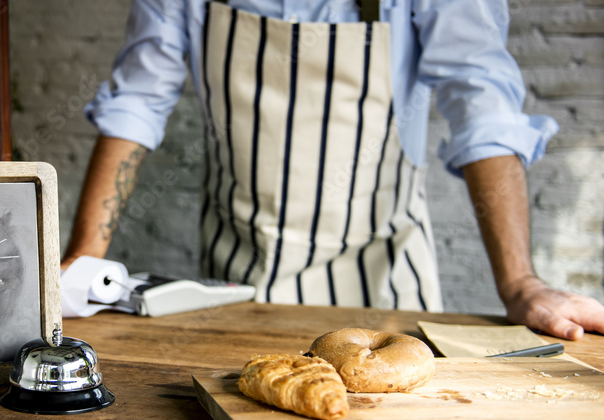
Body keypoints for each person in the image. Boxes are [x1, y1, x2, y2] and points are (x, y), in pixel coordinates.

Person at [61, 0, 604, 340]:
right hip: (234, 288)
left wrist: (519, 283)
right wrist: (83, 261)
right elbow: (137, 101)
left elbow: (484, 108)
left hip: (385, 290)